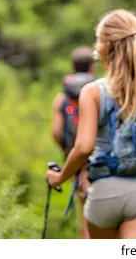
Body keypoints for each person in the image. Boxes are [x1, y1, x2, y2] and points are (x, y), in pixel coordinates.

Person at [46, 9, 136, 239]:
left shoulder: (93, 92)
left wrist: (60, 176)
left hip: (104, 196)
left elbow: (84, 147)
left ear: (103, 47)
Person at [51, 46, 97, 239]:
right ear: (92, 67)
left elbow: (56, 132)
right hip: (99, 156)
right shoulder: (99, 90)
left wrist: (68, 149)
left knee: (85, 209)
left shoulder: (62, 97)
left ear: (73, 66)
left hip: (75, 158)